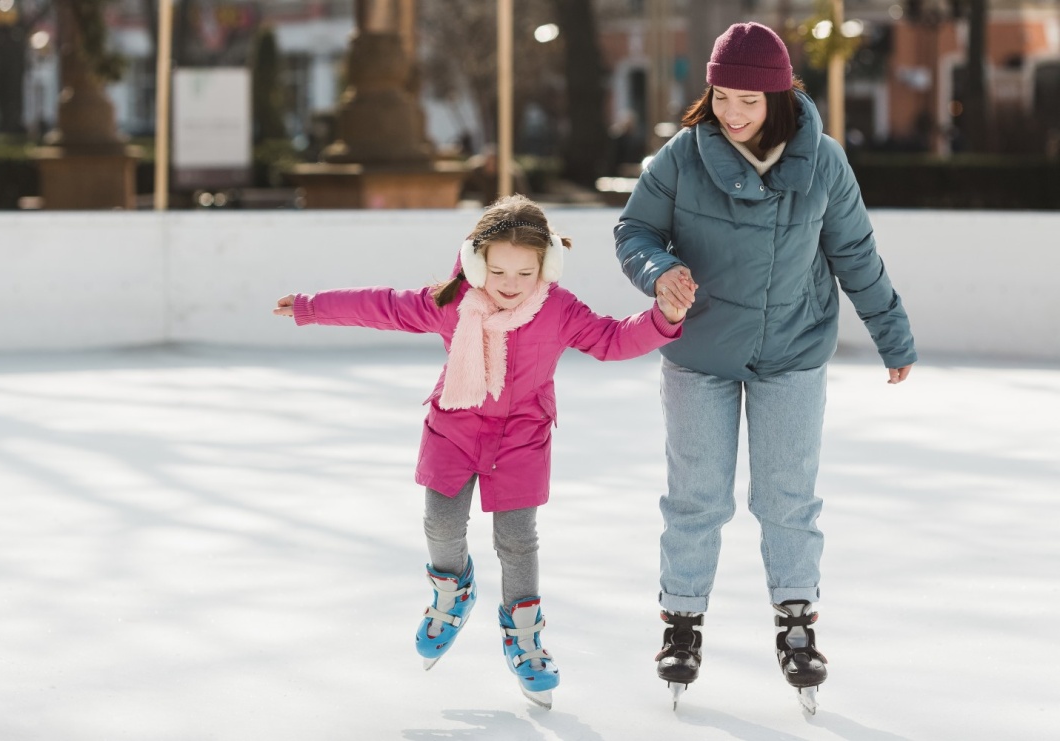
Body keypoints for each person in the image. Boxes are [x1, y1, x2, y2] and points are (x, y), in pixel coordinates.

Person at [274, 194, 691, 709]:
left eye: (524, 272)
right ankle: (453, 592)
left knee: (517, 541)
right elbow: (382, 306)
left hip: (521, 437)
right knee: (441, 524)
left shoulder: (558, 309)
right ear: (476, 263)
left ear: (545, 267)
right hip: (454, 426)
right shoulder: (452, 302)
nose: (511, 285)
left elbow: (610, 339)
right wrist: (313, 307)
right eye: (498, 271)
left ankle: (524, 635)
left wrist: (663, 317)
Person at [613, 22, 917, 712]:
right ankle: (682, 622)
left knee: (787, 497)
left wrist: (891, 334)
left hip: (792, 349)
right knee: (696, 496)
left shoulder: (826, 161)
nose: (733, 113)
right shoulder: (683, 157)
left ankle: (797, 620)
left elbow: (856, 255)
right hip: (700, 352)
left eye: (748, 100)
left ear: (779, 96)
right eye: (722, 97)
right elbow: (634, 230)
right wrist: (659, 271)